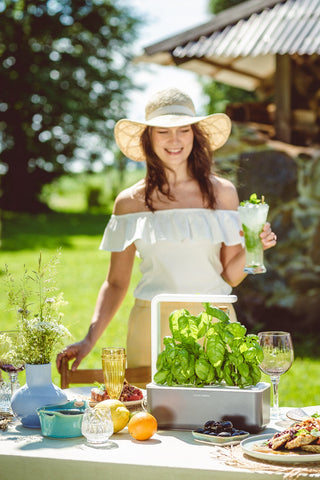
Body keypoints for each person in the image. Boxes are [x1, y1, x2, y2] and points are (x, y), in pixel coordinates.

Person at [56, 87, 277, 373]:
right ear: (148, 138)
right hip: (151, 325)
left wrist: (254, 248)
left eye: (183, 130)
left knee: (220, 418)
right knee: (150, 418)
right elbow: (116, 283)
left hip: (215, 326)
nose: (174, 140)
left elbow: (231, 276)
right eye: (163, 131)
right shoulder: (129, 202)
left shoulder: (223, 193)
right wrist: (89, 340)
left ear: (194, 135)